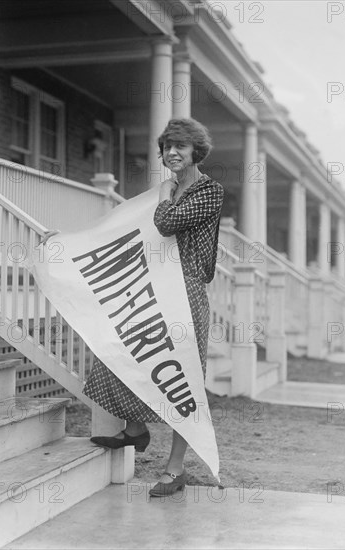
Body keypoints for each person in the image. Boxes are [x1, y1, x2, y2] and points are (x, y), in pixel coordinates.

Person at [82, 118, 224, 496]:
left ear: (196, 150)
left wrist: (164, 192)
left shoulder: (209, 191)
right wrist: (68, 243)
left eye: (180, 146)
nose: (171, 153)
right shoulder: (166, 191)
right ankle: (134, 428)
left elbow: (166, 222)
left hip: (189, 295)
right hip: (157, 290)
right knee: (122, 350)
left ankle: (175, 470)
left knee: (184, 382)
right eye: (166, 147)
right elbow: (125, 228)